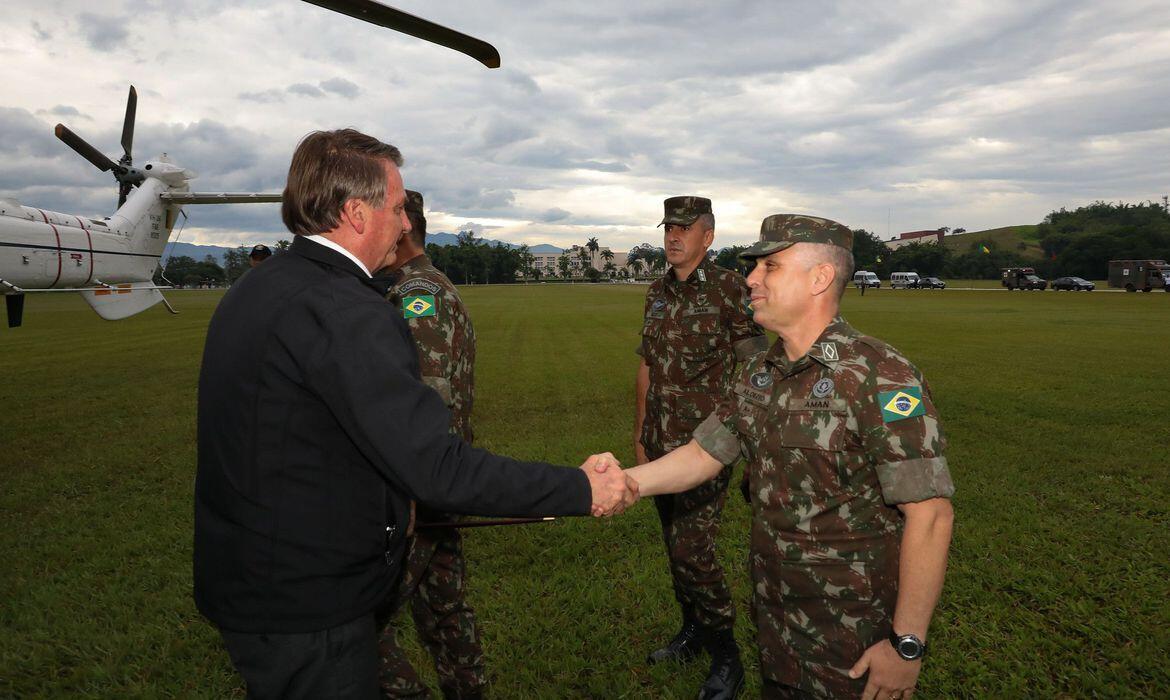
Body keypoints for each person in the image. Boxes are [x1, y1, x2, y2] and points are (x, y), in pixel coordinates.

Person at [194, 128, 636, 700]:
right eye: (398, 207)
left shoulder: (258, 288)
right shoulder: (349, 312)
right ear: (357, 212)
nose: (406, 224)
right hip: (308, 607)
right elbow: (436, 468)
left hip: (248, 582)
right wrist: (579, 488)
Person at [620, 214, 955, 699]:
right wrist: (625, 482)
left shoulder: (878, 374)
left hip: (853, 634)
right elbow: (701, 455)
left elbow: (930, 516)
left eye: (770, 267)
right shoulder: (760, 372)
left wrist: (906, 644)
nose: (751, 280)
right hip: (777, 615)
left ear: (820, 278)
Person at [633, 196, 767, 699]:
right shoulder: (656, 292)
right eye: (669, 226)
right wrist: (640, 431)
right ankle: (692, 630)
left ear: (707, 237)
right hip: (661, 442)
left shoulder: (732, 289)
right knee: (674, 547)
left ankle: (727, 657)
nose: (673, 236)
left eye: (684, 228)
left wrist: (752, 444)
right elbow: (647, 363)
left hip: (707, 444)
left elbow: (756, 368)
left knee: (694, 551)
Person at [376, 190, 486, 700]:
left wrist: (416, 488)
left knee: (360, 624)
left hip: (419, 486)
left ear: (401, 229)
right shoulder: (420, 284)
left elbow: (429, 399)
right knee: (444, 608)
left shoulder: (418, 292)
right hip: (439, 480)